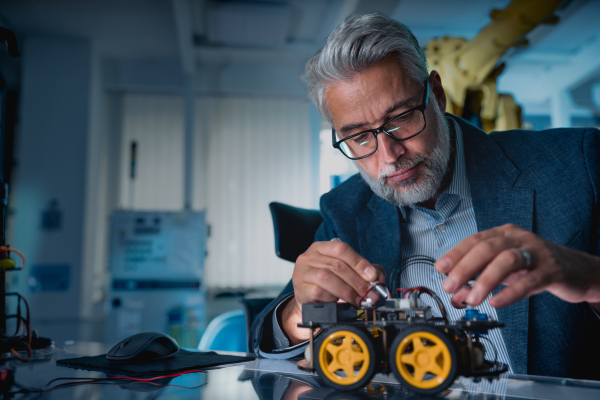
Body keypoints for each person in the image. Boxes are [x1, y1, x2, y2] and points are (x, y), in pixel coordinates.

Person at [250, 12, 600, 379]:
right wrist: (295, 314)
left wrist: (588, 276)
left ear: (437, 94)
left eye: (401, 117)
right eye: (360, 137)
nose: (389, 155)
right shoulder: (344, 210)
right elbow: (265, 340)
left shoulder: (576, 164)